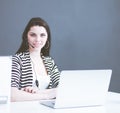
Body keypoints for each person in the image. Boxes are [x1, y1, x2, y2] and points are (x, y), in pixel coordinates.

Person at [11, 17, 60, 101]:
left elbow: (62, 89)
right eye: (33, 35)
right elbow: (11, 94)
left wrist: (39, 92)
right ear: (26, 36)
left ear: (47, 38)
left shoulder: (49, 62)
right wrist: (47, 95)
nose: (38, 39)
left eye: (42, 35)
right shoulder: (17, 59)